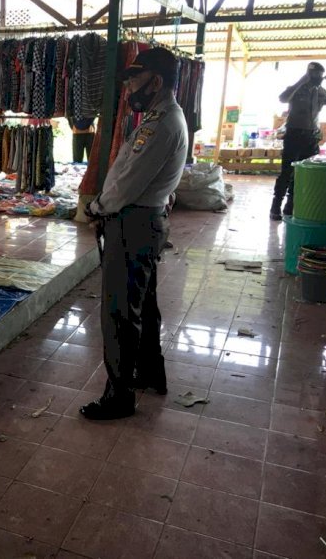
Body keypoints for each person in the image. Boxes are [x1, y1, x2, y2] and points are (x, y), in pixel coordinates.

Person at [82, 47, 188, 420]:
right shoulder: (165, 118)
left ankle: (119, 395)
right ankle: (148, 373)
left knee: (120, 311)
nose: (129, 89)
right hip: (144, 222)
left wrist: (96, 208)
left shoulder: (161, 124)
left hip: (132, 224)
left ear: (155, 81)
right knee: (142, 305)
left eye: (134, 80)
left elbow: (126, 182)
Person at [270, 62, 326, 220]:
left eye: (320, 75)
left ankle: (290, 207)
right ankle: (275, 206)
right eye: (314, 75)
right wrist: (302, 80)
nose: (317, 78)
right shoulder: (297, 89)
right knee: (287, 172)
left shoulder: (321, 92)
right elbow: (282, 98)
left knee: (302, 174)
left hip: (311, 137)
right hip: (294, 135)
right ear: (308, 74)